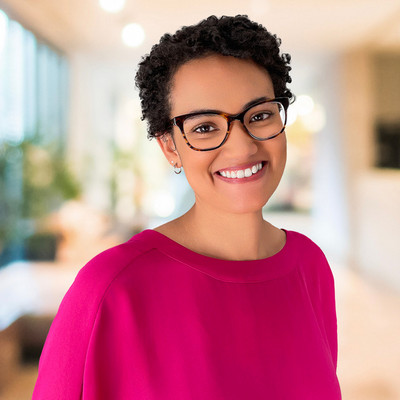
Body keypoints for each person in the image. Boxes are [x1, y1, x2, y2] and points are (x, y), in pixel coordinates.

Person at [33, 15, 341, 399]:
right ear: (169, 147)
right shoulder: (108, 289)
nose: (243, 147)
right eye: (205, 127)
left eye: (260, 116)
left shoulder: (309, 266)